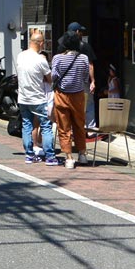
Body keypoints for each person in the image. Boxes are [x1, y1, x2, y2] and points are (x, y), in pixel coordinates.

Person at [15, 30, 58, 166]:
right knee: (46, 126)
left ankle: (29, 155)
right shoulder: (41, 59)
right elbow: (50, 79)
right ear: (41, 43)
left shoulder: (20, 56)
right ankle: (50, 156)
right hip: (38, 98)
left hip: (23, 98)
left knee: (26, 125)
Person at [52, 30, 92, 169]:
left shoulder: (57, 58)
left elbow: (54, 77)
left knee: (64, 127)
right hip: (78, 95)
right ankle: (82, 154)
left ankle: (69, 158)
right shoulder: (84, 58)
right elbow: (85, 77)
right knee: (79, 125)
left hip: (62, 95)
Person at [57, 22, 97, 128]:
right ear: (77, 32)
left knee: (69, 105)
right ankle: (90, 128)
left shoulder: (62, 46)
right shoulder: (85, 46)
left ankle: (71, 127)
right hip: (82, 81)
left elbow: (57, 66)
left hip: (65, 82)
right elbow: (90, 65)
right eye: (81, 31)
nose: (82, 34)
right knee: (88, 103)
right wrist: (92, 80)